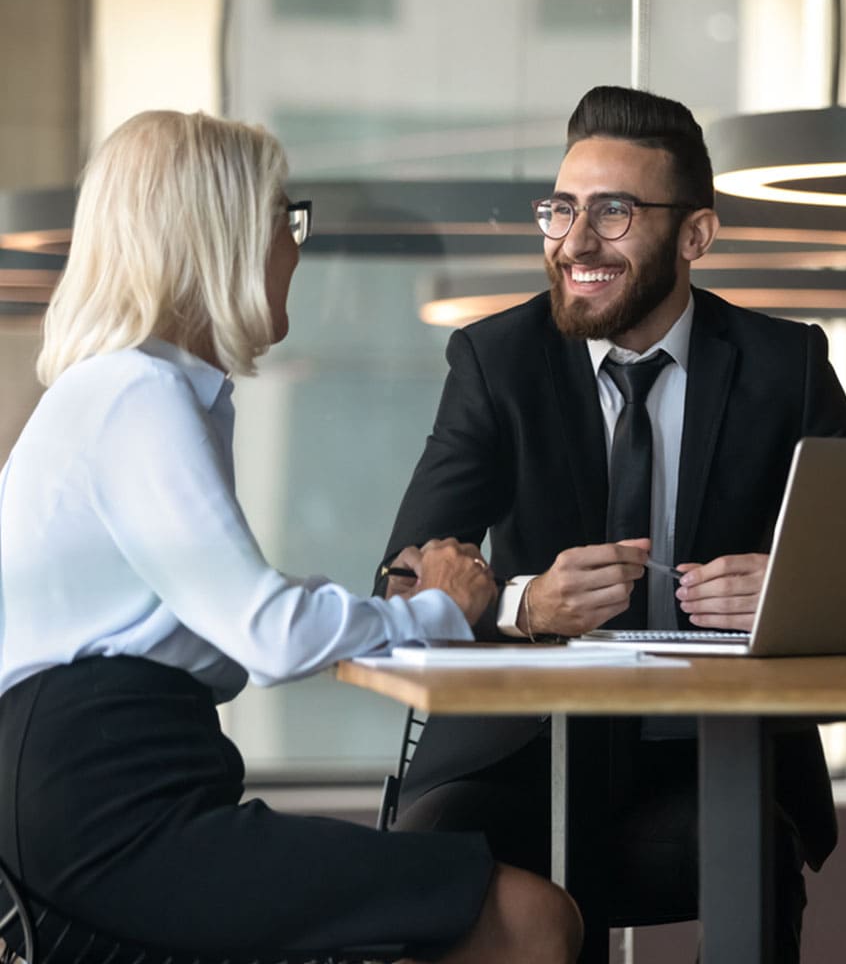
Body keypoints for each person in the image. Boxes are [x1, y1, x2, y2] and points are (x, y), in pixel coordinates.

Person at [0, 110, 582, 964]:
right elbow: (266, 639)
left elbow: (224, 643)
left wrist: (332, 607)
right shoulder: (138, 395)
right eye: (286, 217)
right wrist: (438, 611)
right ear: (224, 230)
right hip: (110, 803)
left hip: (93, 789)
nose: (296, 247)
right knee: (533, 919)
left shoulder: (137, 393)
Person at [378, 85, 846, 961]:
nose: (574, 242)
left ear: (695, 236)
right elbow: (400, 576)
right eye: (561, 210)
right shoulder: (497, 361)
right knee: (433, 867)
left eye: (613, 212)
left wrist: (797, 590)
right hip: (517, 758)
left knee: (750, 849)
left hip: (711, 761)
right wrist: (525, 603)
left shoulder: (785, 365)